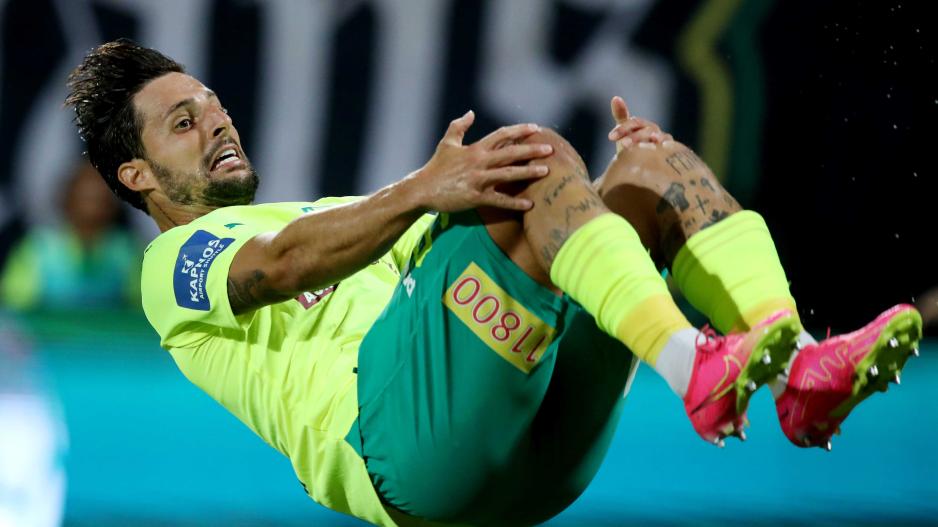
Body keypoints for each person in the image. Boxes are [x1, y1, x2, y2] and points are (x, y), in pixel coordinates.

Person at [65, 39, 922, 527]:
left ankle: (802, 371)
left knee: (653, 171)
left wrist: (604, 195)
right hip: (402, 454)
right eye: (183, 122)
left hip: (535, 463)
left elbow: (460, 216)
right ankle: (692, 364)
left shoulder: (327, 213)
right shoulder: (170, 266)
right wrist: (435, 187)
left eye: (212, 103)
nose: (216, 121)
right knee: (532, 159)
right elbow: (280, 264)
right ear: (137, 175)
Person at [0, 159, 140, 310]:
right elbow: (12, 308)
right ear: (65, 200)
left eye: (100, 200)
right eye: (85, 198)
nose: (92, 209)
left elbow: (141, 307)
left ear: (113, 207)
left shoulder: (126, 252)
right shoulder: (38, 249)